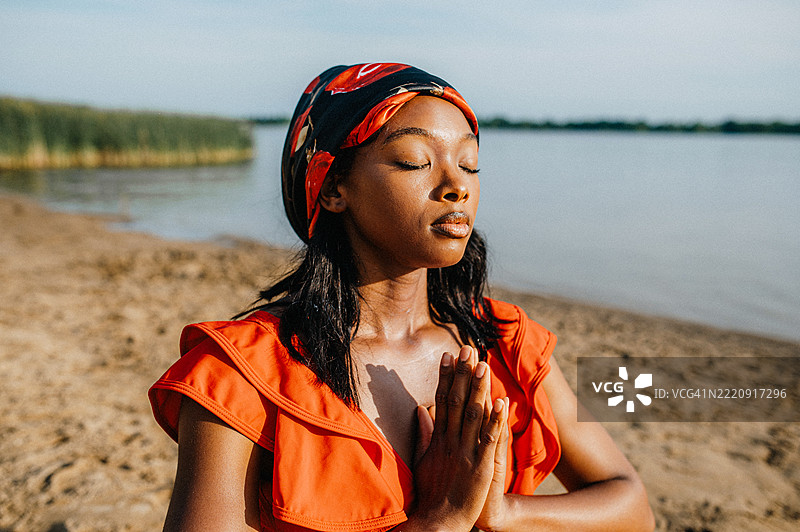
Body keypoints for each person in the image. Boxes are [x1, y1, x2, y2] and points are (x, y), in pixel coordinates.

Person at [149, 63, 655, 531]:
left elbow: (632, 507)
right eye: (415, 162)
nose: (457, 186)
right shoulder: (244, 371)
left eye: (469, 164)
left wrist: (503, 511)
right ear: (333, 187)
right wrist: (440, 521)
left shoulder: (505, 345)